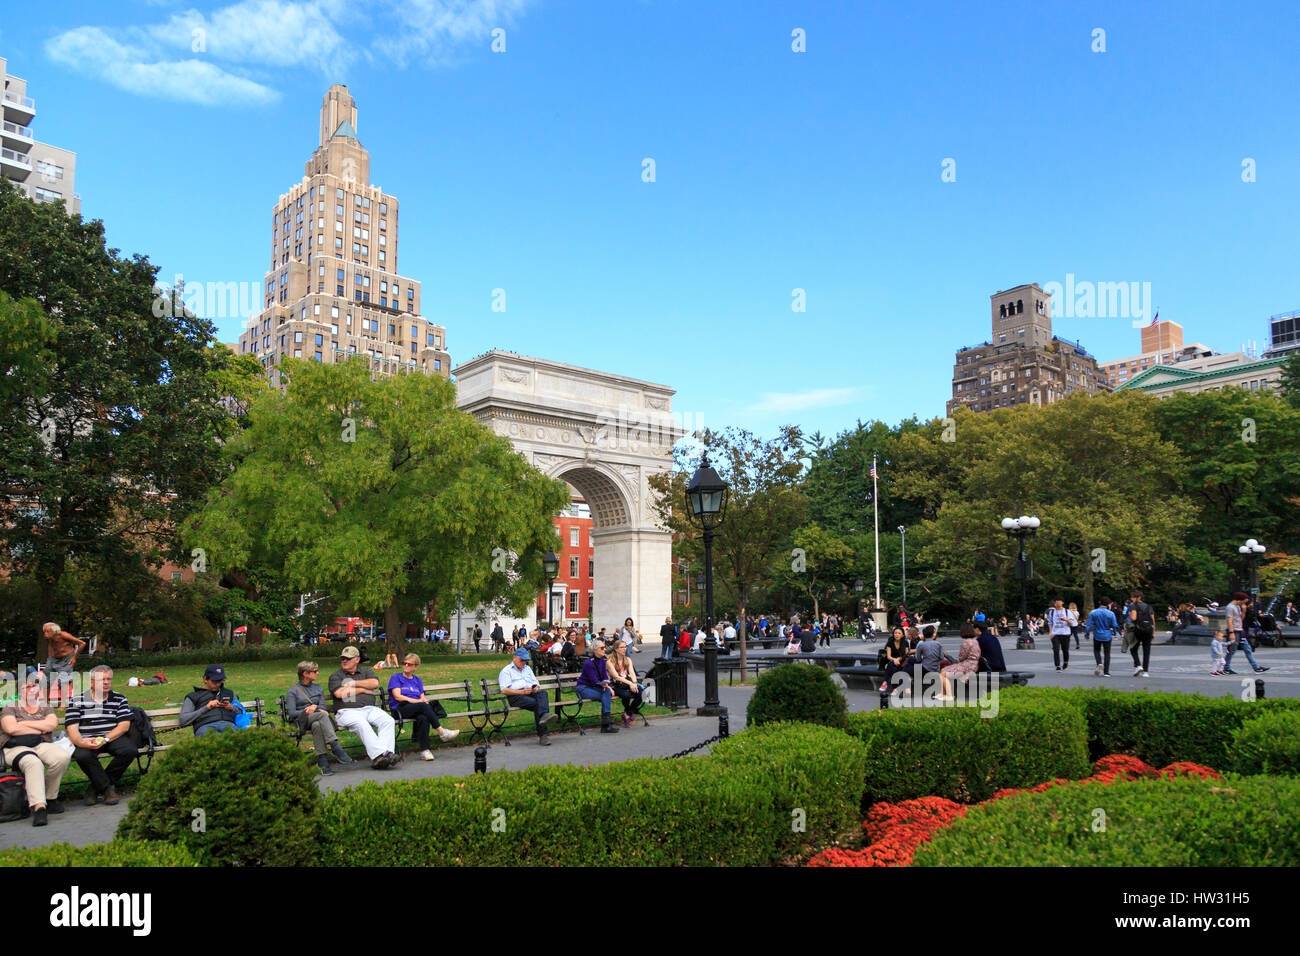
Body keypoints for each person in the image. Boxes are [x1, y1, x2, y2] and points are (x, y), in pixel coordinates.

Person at [1, 672, 71, 826]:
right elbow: (10, 729)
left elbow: (51, 725)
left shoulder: (45, 707)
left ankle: (50, 797)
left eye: (35, 686)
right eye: (28, 687)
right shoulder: (10, 707)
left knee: (62, 757)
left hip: (40, 744)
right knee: (33, 762)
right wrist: (39, 728)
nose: (32, 689)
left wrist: (23, 724)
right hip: (14, 747)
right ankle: (39, 808)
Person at [65, 665, 135, 806]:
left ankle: (94, 788)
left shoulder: (119, 699)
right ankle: (107, 789)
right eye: (101, 679)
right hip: (86, 738)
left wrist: (105, 739)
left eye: (109, 679)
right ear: (91, 682)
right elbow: (72, 728)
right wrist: (81, 742)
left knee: (129, 750)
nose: (106, 682)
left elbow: (124, 726)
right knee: (83, 755)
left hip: (111, 737)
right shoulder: (77, 700)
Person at [328, 646, 399, 769]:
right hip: (346, 712)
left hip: (369, 709)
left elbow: (374, 683)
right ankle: (381, 755)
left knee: (388, 720)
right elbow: (340, 694)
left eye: (347, 658)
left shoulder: (366, 672)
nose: (344, 661)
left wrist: (353, 684)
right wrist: (363, 689)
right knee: (362, 724)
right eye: (342, 659)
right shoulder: (336, 675)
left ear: (356, 660)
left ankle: (385, 755)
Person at [387, 653, 459, 761]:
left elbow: (422, 697)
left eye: (409, 664)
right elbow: (398, 697)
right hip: (400, 709)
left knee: (423, 717)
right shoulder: (396, 678)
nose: (406, 666)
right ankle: (442, 732)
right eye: (404, 663)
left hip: (416, 708)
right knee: (422, 706)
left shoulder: (417, 680)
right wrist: (418, 701)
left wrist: (423, 701)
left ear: (416, 667)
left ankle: (425, 751)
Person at [285, 660, 352, 775]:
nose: (318, 673)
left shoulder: (318, 688)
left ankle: (323, 762)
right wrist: (307, 711)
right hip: (301, 721)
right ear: (305, 674)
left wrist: (316, 709)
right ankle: (335, 746)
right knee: (320, 716)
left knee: (317, 725)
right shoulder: (293, 691)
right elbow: (291, 713)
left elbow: (322, 707)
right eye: (315, 671)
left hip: (317, 720)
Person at [498, 648, 558, 745]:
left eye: (526, 660)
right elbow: (504, 690)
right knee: (536, 704)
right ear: (514, 658)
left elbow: (535, 683)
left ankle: (543, 716)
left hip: (530, 692)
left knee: (543, 694)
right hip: (516, 696)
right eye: (522, 660)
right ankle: (543, 734)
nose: (524, 662)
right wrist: (521, 692)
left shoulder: (527, 668)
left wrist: (535, 688)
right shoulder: (506, 671)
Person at [178, 665, 241, 736]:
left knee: (237, 739)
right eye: (214, 681)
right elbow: (183, 720)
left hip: (228, 726)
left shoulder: (230, 693)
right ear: (205, 679)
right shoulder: (193, 696)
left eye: (220, 681)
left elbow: (241, 712)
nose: (217, 684)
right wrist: (207, 707)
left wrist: (231, 707)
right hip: (206, 727)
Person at [576, 640, 620, 733]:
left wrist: (607, 685)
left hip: (595, 687)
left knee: (606, 693)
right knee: (606, 694)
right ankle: (606, 724)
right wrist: (605, 686)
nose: (604, 649)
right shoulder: (589, 663)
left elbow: (604, 675)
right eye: (602, 648)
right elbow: (593, 680)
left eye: (605, 647)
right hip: (583, 688)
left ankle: (606, 722)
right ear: (595, 650)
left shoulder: (603, 660)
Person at [1224, 591, 1269, 675]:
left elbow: (1241, 619)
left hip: (1240, 631)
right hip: (1234, 631)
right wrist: (1231, 633)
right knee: (1232, 650)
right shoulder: (1230, 607)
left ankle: (1256, 668)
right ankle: (1226, 668)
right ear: (1239, 600)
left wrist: (1244, 611)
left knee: (1248, 649)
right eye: (1244, 601)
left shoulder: (1237, 606)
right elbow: (1229, 621)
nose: (1245, 603)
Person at [42, 622, 87, 705]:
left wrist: (74, 658)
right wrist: (49, 658)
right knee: (46, 680)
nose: (45, 634)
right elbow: (50, 646)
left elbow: (82, 643)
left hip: (66, 659)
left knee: (63, 681)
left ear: (54, 631)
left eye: (47, 631)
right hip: (54, 659)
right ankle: (45, 703)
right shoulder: (50, 638)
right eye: (44, 631)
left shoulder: (64, 635)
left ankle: (63, 704)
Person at [608, 640, 644, 727]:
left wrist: (634, 683)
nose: (625, 649)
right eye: (622, 647)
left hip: (626, 683)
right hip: (615, 685)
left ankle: (627, 713)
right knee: (626, 695)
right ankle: (628, 714)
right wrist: (630, 684)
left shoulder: (627, 659)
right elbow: (616, 677)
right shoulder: (609, 661)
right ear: (616, 649)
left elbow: (632, 673)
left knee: (642, 693)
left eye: (625, 647)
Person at [940, 623, 981, 697]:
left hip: (967, 666)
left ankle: (948, 695)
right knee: (944, 670)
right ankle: (942, 694)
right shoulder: (975, 641)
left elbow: (962, 657)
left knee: (943, 673)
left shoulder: (966, 642)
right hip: (974, 665)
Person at [1084, 598, 1118, 677]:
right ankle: (1106, 672)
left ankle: (1099, 663)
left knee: (1096, 650)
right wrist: (1114, 632)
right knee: (1107, 653)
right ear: (1108, 604)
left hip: (1097, 633)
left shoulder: (1093, 612)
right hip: (1107, 634)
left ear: (1100, 602)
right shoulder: (1111, 613)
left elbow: (1088, 624)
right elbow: (1114, 625)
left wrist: (1087, 634)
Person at [1125, 590, 1156, 678]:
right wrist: (1153, 632)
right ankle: (1145, 672)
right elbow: (1152, 620)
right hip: (1148, 629)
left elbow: (1134, 618)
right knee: (1146, 651)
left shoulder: (1132, 606)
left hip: (1137, 630)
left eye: (1133, 597)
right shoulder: (1148, 606)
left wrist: (1130, 614)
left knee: (1133, 648)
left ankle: (1138, 665)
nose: (1131, 599)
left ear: (1138, 597)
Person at [1048, 599, 1072, 671]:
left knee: (1065, 650)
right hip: (1055, 634)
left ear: (1062, 602)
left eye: (1059, 601)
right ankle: (1057, 665)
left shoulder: (1067, 611)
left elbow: (1072, 622)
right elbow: (1050, 623)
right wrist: (1050, 632)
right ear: (1055, 603)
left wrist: (1066, 620)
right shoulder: (1052, 612)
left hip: (1065, 633)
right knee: (1056, 649)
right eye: (1056, 602)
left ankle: (1065, 662)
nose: (1058, 603)